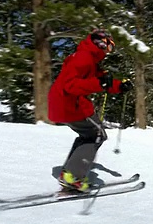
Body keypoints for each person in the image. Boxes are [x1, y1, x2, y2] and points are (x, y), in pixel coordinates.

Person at [48, 29, 133, 192]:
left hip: (63, 103)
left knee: (89, 135)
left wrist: (119, 86)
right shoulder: (84, 58)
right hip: (70, 104)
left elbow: (101, 80)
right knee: (97, 134)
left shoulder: (89, 59)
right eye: (109, 46)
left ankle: (70, 173)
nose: (108, 51)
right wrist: (99, 83)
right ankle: (73, 176)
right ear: (101, 43)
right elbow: (71, 85)